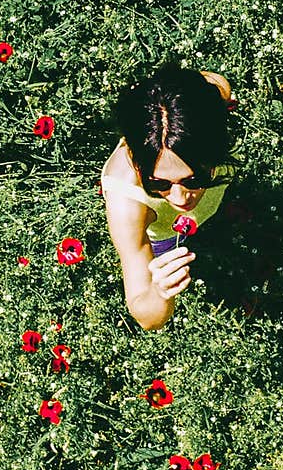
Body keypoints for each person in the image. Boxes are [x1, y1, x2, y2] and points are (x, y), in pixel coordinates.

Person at [101, 63, 236, 330]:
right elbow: (144, 314)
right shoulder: (126, 202)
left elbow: (215, 83)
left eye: (194, 179)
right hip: (162, 232)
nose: (180, 198)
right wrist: (160, 291)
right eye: (159, 183)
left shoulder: (213, 99)